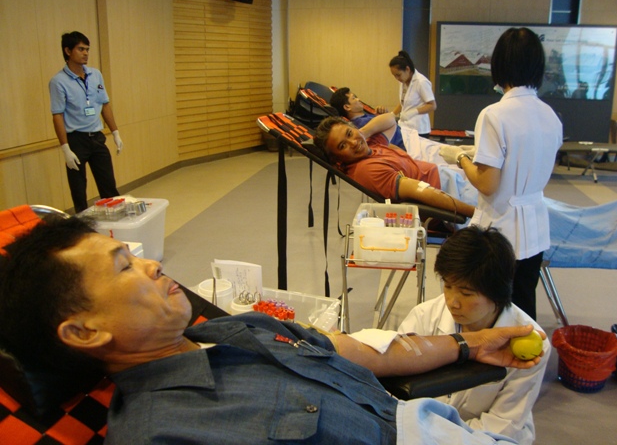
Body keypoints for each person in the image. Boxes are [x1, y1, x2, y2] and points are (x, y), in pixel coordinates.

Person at [0, 216, 546, 444]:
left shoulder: (236, 329)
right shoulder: (161, 433)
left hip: (425, 425)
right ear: (85, 332)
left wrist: (468, 343)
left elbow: (365, 352)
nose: (152, 264)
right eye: (124, 266)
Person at [438, 28, 563, 320]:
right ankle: (527, 348)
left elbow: (488, 184)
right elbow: (533, 161)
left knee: (494, 308)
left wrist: (461, 158)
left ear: (500, 65)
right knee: (524, 302)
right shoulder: (550, 115)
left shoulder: (494, 114)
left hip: (501, 230)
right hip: (535, 226)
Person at [398, 226, 550, 445]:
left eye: (466, 293)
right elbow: (396, 387)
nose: (452, 302)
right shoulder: (424, 317)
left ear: (497, 294)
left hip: (487, 436)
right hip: (422, 426)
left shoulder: (532, 344)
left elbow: (503, 422)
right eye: (447, 286)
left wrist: (440, 437)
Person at [314, 116, 478, 219]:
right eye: (343, 146)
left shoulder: (370, 146)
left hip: (449, 179)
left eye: (349, 133)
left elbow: (390, 120)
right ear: (337, 160)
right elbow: (420, 190)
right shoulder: (367, 170)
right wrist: (474, 212)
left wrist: (363, 133)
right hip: (450, 191)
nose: (353, 143)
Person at [49, 31, 123, 213]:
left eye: (87, 49)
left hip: (96, 137)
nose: (85, 53)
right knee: (78, 189)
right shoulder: (58, 81)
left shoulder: (95, 75)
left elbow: (105, 104)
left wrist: (115, 132)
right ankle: (82, 223)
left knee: (108, 184)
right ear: (68, 51)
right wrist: (65, 149)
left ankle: (115, 219)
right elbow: (57, 115)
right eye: (81, 49)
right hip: (76, 140)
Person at [330, 87, 406, 150]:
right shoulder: (361, 124)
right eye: (354, 98)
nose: (358, 99)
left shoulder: (366, 117)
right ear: (347, 107)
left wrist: (384, 115)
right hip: (405, 145)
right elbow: (383, 144)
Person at [389, 51, 437, 137]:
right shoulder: (403, 81)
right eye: (394, 76)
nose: (397, 78)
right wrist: (392, 115)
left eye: (398, 75)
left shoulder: (421, 82)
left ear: (407, 69)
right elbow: (403, 102)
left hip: (419, 129)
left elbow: (432, 105)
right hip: (404, 127)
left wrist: (414, 112)